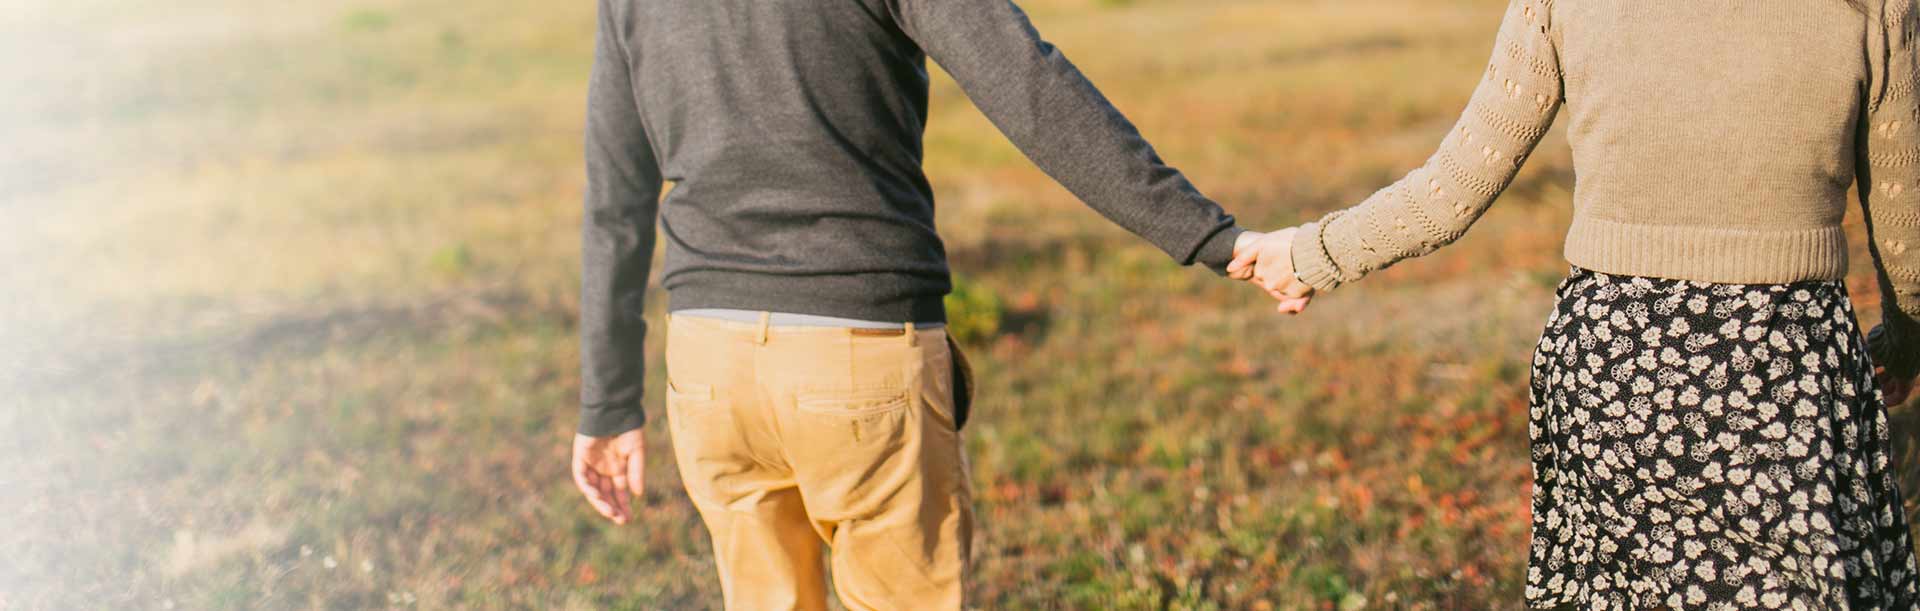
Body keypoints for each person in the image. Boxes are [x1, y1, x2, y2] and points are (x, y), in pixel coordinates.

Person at [565, 0, 1278, 608]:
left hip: (709, 366)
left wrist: (608, 403)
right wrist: (1210, 236)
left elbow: (614, 202)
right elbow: (1030, 87)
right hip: (859, 352)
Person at [1232, 0, 1920, 607]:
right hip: (1783, 370)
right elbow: (1906, 234)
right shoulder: (1878, 8)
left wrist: (1308, 255)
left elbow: (1452, 189)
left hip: (1610, 372)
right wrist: (1901, 345)